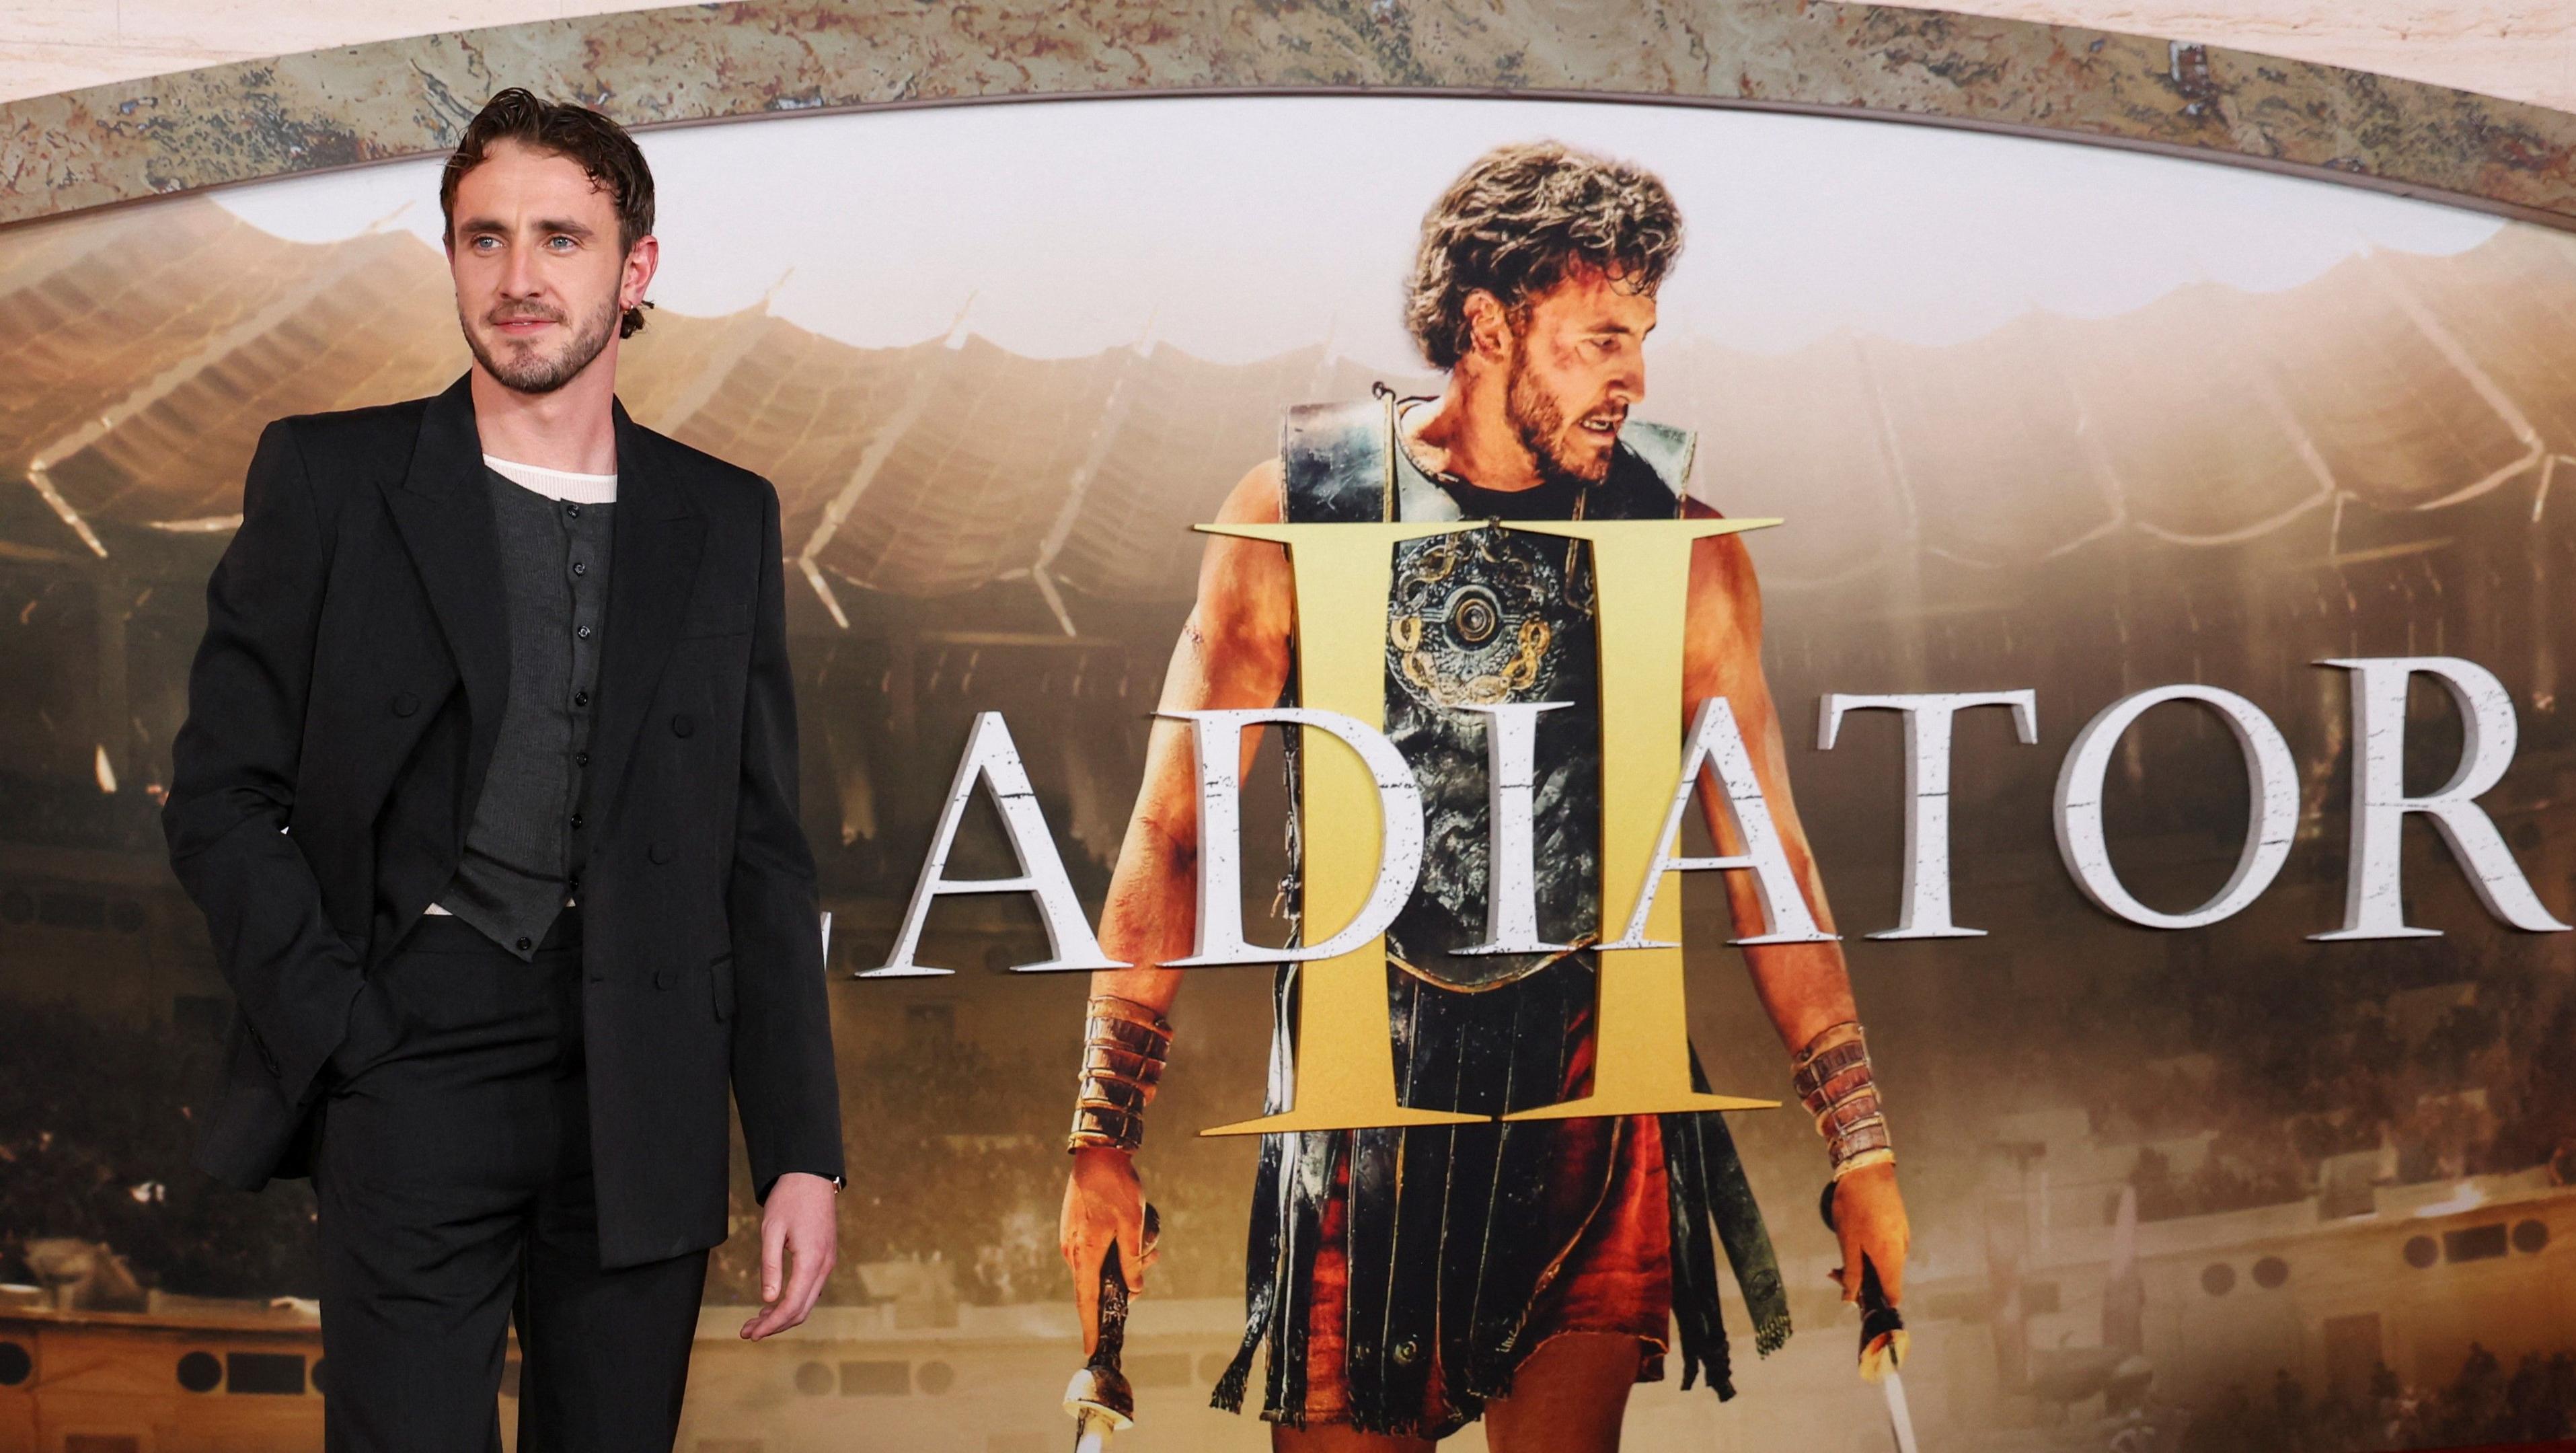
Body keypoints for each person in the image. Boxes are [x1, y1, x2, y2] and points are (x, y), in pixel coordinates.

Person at [1056, 141, 1911, 1450]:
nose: (1634, 373)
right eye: (1600, 335)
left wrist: (1859, 1143)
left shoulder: (1679, 547)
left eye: (1646, 336)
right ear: (1488, 325)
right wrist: (1102, 1133)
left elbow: (1765, 858)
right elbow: (1178, 827)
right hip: (1364, 1093)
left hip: (1590, 1082)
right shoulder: (1300, 517)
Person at [162, 88, 843, 1451]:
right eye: (484, 239)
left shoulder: (723, 519)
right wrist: (345, 1031)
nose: (519, 279)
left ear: (634, 268)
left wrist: (802, 1150)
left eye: (559, 239)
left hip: (646, 1079)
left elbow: (761, 858)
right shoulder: (330, 479)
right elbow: (223, 797)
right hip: (412, 1061)